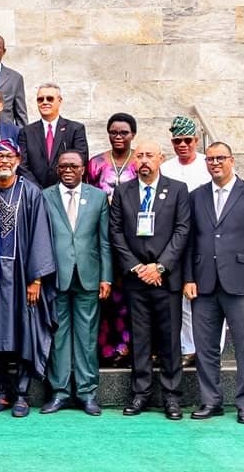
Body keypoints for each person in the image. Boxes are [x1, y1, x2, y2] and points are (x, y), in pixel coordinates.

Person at [184, 142, 244, 424]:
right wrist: (188, 277)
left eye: (220, 158)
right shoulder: (196, 196)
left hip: (242, 284)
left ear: (232, 160)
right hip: (204, 283)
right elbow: (189, 241)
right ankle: (211, 401)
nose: (215, 163)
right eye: (210, 159)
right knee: (206, 347)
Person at [109, 141, 191, 420]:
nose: (144, 160)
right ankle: (141, 394)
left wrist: (160, 267)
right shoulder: (123, 191)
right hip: (135, 280)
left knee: (169, 340)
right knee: (140, 339)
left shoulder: (178, 190)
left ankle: (171, 397)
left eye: (149, 156)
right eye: (140, 155)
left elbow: (182, 231)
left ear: (161, 159)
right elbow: (116, 233)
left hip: (166, 280)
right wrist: (136, 267)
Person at [0, 139, 56, 418]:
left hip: (23, 277)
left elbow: (40, 236)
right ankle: (0, 393)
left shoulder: (31, 193)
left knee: (25, 333)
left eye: (8, 156)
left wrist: (36, 279)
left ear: (17, 159)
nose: (3, 161)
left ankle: (22, 395)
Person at [41, 150, 112, 416]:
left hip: (89, 275)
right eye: (63, 166)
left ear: (83, 169)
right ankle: (59, 392)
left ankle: (86, 393)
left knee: (87, 337)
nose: (68, 170)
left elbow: (104, 240)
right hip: (56, 277)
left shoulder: (98, 197)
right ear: (57, 169)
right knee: (58, 336)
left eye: (73, 165)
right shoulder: (45, 196)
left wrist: (107, 276)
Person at [87, 113, 139, 368]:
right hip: (102, 237)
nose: (118, 137)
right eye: (113, 132)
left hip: (132, 239)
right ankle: (106, 350)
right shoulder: (96, 163)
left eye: (124, 133)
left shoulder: (139, 162)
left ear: (132, 135)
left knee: (129, 295)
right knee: (107, 294)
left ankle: (130, 349)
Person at [161, 115, 211, 367]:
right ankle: (188, 348)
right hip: (176, 241)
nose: (182, 145)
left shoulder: (207, 164)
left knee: (208, 294)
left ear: (196, 140)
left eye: (187, 140)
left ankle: (209, 349)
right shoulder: (167, 168)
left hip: (206, 239)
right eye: (177, 140)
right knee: (182, 297)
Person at [17, 84, 89, 188]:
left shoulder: (75, 129)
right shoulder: (26, 132)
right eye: (40, 99)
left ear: (59, 101)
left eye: (49, 99)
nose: (44, 102)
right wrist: (37, 190)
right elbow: (22, 165)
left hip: (65, 191)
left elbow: (81, 161)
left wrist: (56, 191)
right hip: (35, 193)